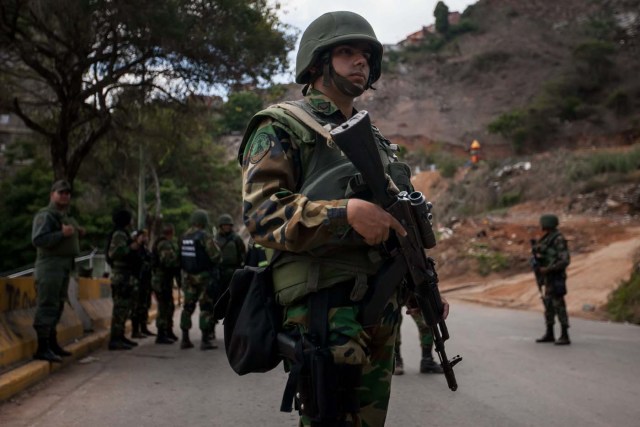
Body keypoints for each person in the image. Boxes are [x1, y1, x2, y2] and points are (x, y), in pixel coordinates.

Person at [239, 11, 449, 426]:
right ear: (318, 63)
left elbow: (397, 230)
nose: (361, 62)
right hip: (327, 303)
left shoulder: (377, 143)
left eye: (367, 55)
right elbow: (261, 214)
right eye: (347, 52)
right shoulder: (282, 126)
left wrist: (419, 290)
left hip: (378, 308)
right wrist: (344, 214)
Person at [31, 179, 85, 362]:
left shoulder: (65, 215)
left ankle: (52, 342)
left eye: (67, 193)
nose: (64, 196)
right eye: (61, 192)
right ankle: (42, 346)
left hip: (63, 266)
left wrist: (77, 231)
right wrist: (62, 234)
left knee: (57, 305)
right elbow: (38, 239)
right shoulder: (46, 215)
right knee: (47, 305)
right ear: (52, 194)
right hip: (50, 267)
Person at [179, 209, 221, 350]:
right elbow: (215, 256)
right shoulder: (204, 236)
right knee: (205, 307)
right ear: (204, 221)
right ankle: (205, 340)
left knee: (187, 307)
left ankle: (185, 338)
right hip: (203, 277)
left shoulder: (184, 236)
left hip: (188, 277)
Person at [533, 214, 571, 345]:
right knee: (548, 304)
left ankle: (565, 334)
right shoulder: (546, 239)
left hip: (556, 277)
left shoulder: (558, 239)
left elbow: (564, 260)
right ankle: (550, 332)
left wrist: (549, 269)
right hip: (547, 278)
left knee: (559, 305)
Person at [106, 209, 140, 350]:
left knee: (124, 309)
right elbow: (114, 253)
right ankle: (115, 339)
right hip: (121, 276)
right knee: (120, 309)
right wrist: (131, 248)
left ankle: (120, 336)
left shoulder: (123, 233)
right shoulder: (119, 234)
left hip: (126, 275)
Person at [151, 223, 181, 344]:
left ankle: (168, 330)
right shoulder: (164, 244)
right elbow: (167, 261)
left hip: (165, 279)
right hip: (161, 280)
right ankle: (161, 333)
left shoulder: (165, 243)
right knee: (163, 307)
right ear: (171, 233)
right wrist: (178, 260)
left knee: (169, 306)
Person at [393, 310, 443, 375]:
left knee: (426, 321)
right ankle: (395, 360)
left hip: (413, 300)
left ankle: (427, 360)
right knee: (393, 322)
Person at [130, 229, 155, 339]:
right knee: (136, 307)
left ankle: (143, 328)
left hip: (146, 281)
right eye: (143, 236)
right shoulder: (134, 249)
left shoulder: (145, 249)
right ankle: (135, 330)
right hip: (137, 281)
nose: (145, 238)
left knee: (145, 306)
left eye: (146, 236)